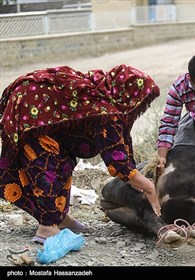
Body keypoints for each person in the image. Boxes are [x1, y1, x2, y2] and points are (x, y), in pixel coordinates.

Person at [0, 64, 162, 243]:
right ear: (130, 96)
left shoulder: (107, 97)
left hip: (38, 107)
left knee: (65, 161)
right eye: (141, 100)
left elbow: (122, 146)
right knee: (48, 166)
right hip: (30, 113)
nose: (140, 106)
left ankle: (59, 218)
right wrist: (148, 186)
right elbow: (118, 163)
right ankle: (47, 227)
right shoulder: (106, 114)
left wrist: (138, 178)